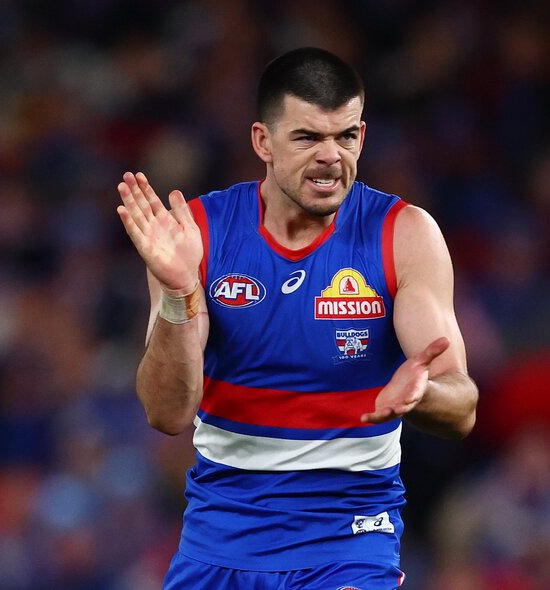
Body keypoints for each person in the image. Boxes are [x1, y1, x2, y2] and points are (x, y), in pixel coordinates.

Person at [115, 47, 478, 590]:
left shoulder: (403, 235)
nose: (332, 156)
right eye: (308, 138)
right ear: (263, 141)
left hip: (349, 541)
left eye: (347, 136)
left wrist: (421, 394)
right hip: (220, 541)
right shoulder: (197, 235)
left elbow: (464, 406)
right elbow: (167, 413)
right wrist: (179, 291)